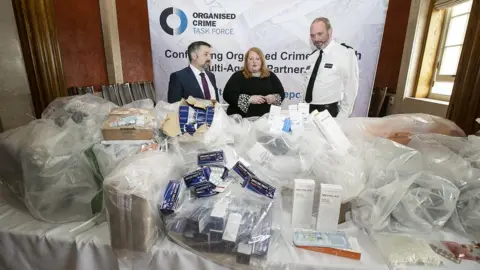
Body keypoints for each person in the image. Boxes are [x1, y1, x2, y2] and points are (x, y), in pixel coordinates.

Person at [301, 17, 359, 118]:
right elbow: (306, 86)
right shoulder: (312, 57)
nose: (316, 39)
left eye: (320, 34)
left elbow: (351, 87)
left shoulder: (345, 53)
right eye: (312, 35)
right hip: (307, 112)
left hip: (330, 113)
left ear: (330, 31)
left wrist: (342, 118)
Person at [223, 47, 285, 117]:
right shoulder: (238, 76)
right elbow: (227, 95)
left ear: (262, 61)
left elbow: (281, 93)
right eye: (251, 59)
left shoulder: (270, 75)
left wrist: (274, 98)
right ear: (246, 61)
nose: (254, 61)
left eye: (257, 59)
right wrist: (249, 99)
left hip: (265, 120)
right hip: (241, 121)